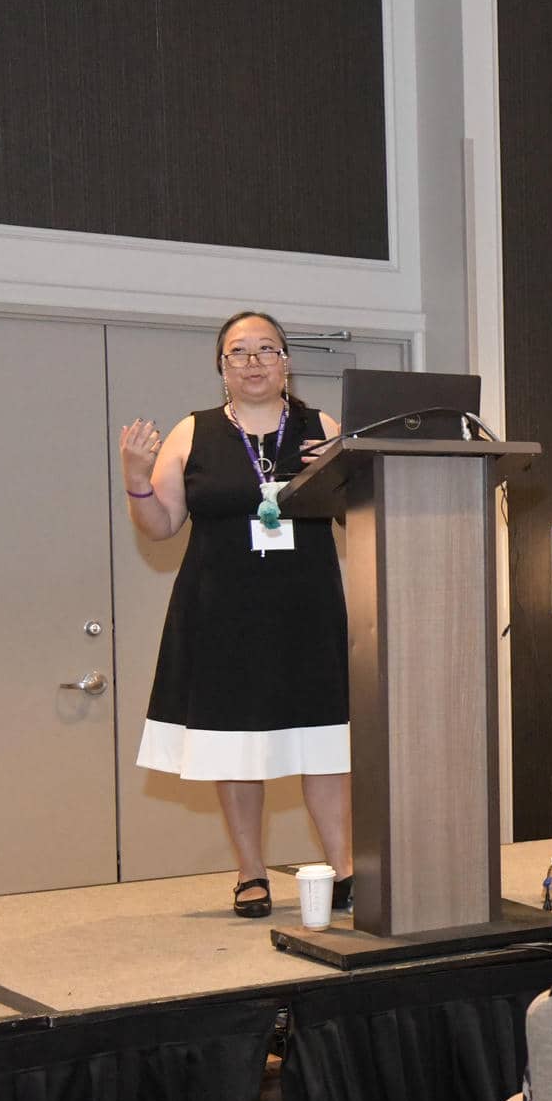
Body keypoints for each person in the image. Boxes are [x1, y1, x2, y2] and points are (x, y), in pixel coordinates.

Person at [118, 310, 352, 918]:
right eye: (238, 352)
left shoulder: (322, 427)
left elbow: (360, 514)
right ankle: (251, 873)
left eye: (266, 349)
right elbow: (161, 525)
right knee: (236, 747)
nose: (253, 362)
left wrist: (345, 468)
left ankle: (346, 868)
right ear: (221, 367)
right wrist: (137, 479)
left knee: (323, 743)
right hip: (222, 612)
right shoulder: (192, 432)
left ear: (286, 362)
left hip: (306, 612)